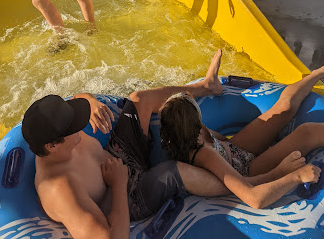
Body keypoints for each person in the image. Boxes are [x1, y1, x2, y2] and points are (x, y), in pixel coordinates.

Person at [21, 51, 319, 239]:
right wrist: (116, 185)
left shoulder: (59, 136)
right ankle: (250, 181)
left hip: (119, 157)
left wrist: (89, 100)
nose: (81, 126)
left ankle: (206, 86)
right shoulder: (60, 188)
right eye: (75, 127)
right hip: (126, 191)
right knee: (174, 171)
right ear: (52, 146)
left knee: (138, 98)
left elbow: (76, 96)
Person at [160, 50, 324, 209]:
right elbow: (253, 197)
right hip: (248, 170)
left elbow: (223, 142)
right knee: (306, 132)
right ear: (194, 119)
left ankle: (318, 73)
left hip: (235, 150)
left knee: (284, 107)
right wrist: (287, 174)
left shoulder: (195, 130)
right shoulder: (204, 154)